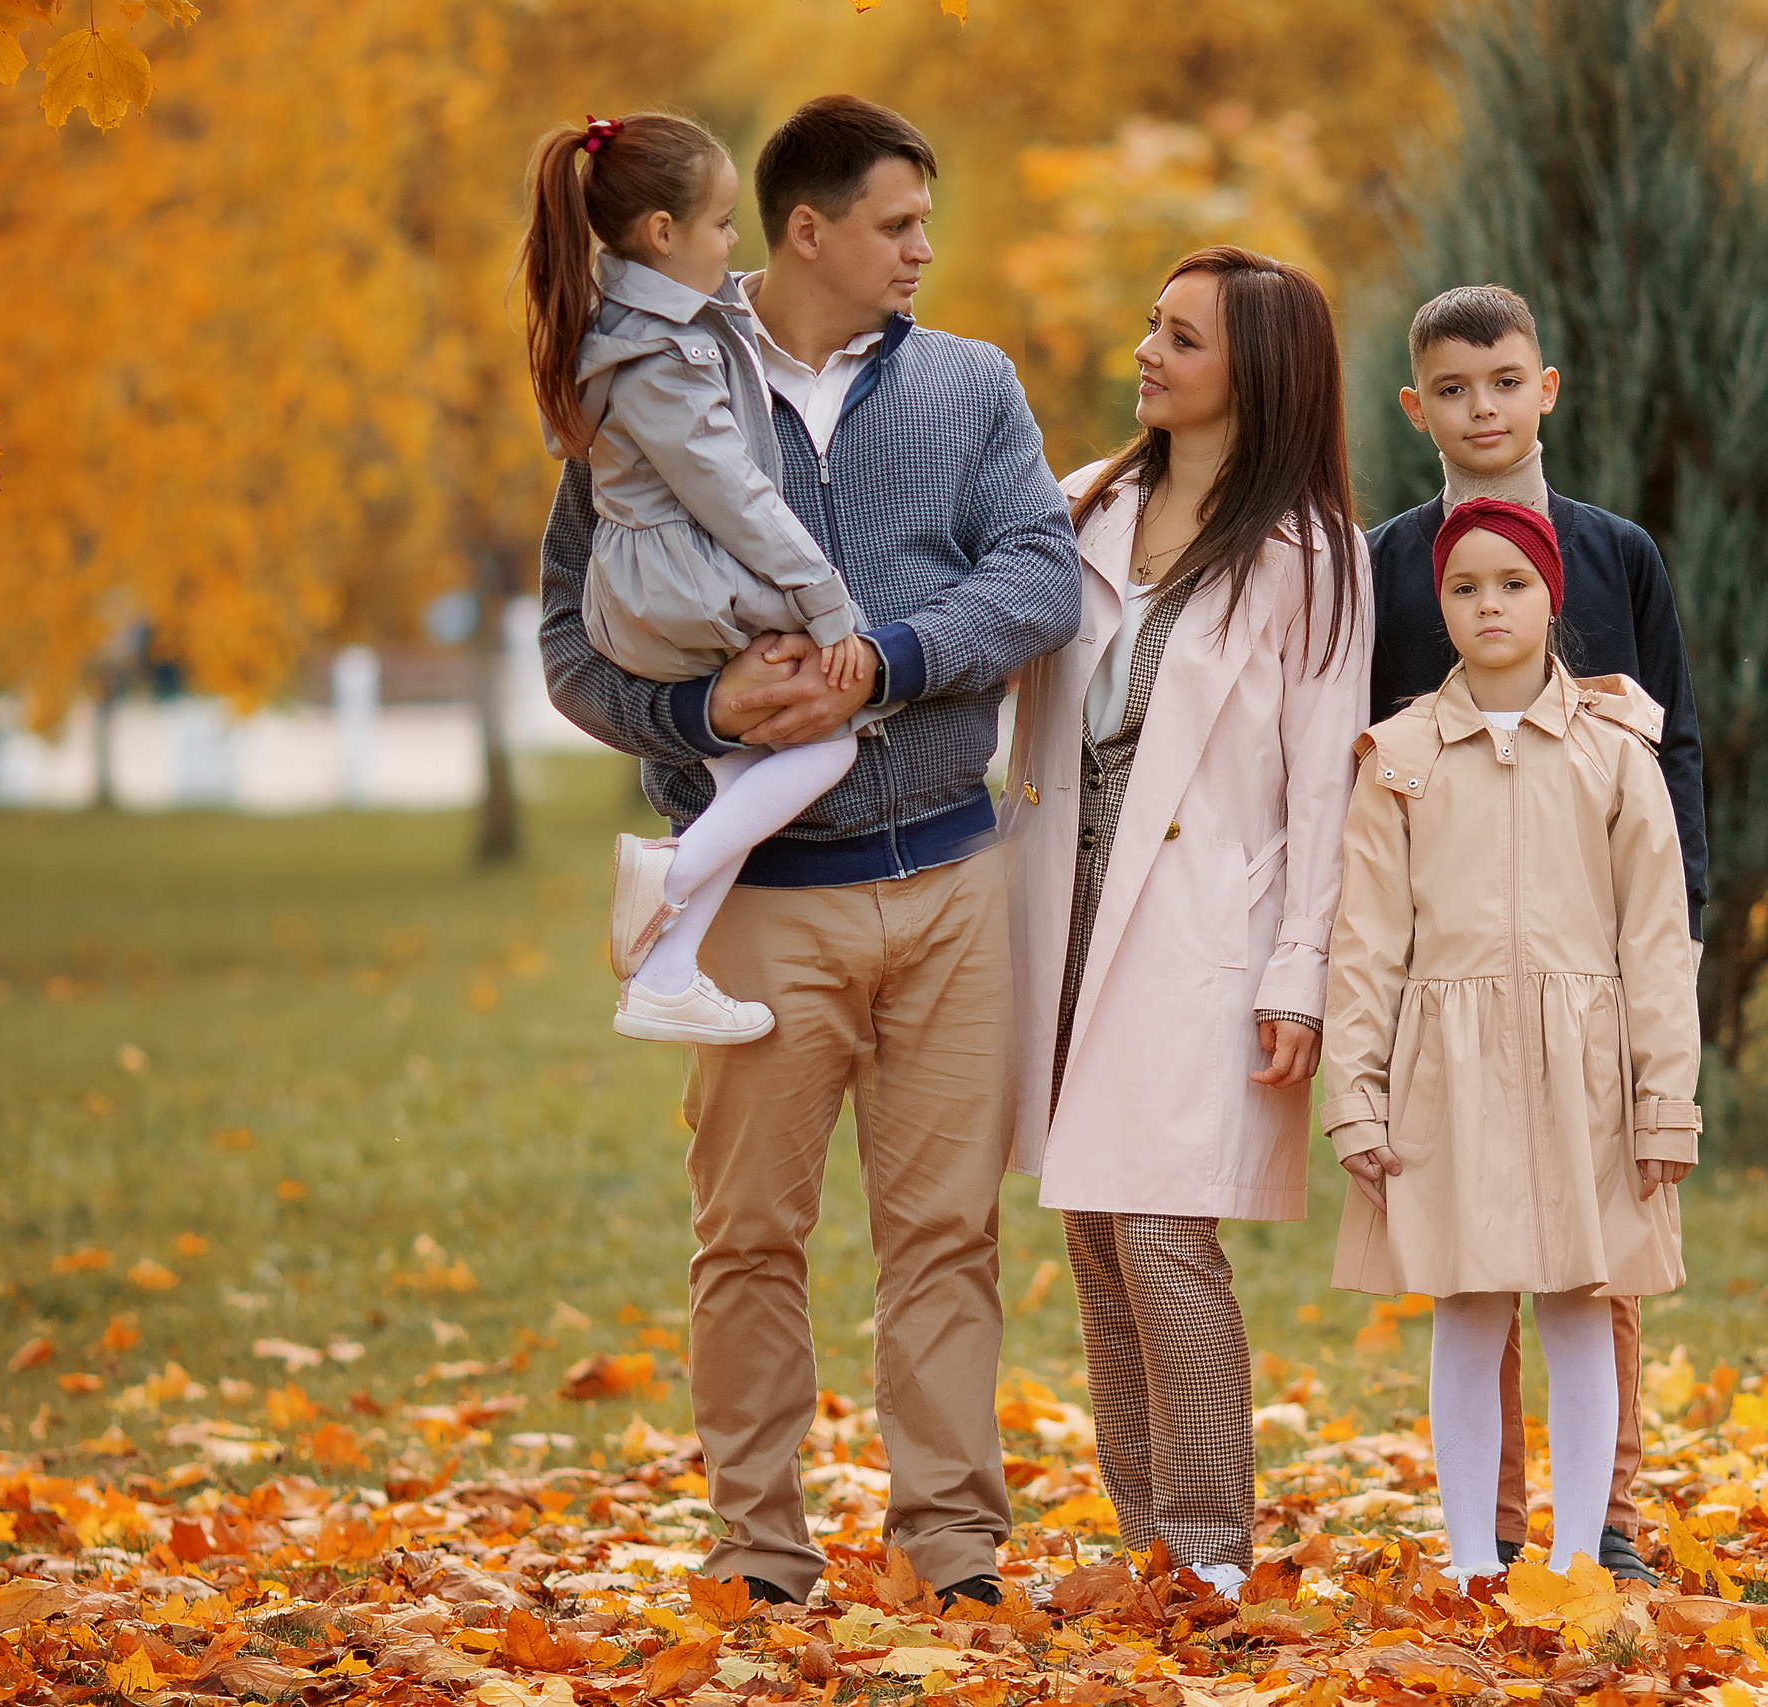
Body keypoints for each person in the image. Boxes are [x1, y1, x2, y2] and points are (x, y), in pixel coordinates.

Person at [536, 95, 1083, 1609]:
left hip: (952, 881)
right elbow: (568, 639)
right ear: (805, 229)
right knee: (751, 1238)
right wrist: (698, 703)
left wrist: (892, 657)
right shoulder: (653, 379)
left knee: (943, 1237)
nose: (924, 249)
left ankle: (955, 1548)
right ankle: (760, 1554)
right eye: (900, 224)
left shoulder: (972, 386)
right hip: (769, 904)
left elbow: (1040, 575)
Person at [1000, 246, 1371, 1593]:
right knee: (1094, 1224)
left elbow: (1327, 778)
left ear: (1255, 374)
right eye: (1154, 325)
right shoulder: (1079, 503)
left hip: (1210, 928)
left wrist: (1300, 976)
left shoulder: (1310, 556)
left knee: (1164, 1228)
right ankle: (1144, 1542)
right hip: (1068, 906)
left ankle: (1209, 1551)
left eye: (1184, 338)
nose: (1149, 352)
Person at [1365, 283, 1705, 1583]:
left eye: (1503, 380)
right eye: (1452, 389)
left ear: (1545, 386)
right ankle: (1491, 1519)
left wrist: (1678, 923)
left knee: (1594, 1251)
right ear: (1417, 409)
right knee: (1474, 1251)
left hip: (1594, 962)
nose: (1481, 407)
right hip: (1451, 972)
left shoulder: (1616, 554)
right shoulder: (1391, 562)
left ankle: (1601, 1515)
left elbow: (1671, 759)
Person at [520, 111, 881, 1048]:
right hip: (684, 584)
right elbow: (734, 493)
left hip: (656, 583)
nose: (735, 240)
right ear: (663, 234)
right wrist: (825, 600)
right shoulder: (661, 355)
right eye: (722, 224)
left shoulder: (647, 324)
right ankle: (667, 872)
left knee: (744, 777)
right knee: (828, 744)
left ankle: (666, 975)